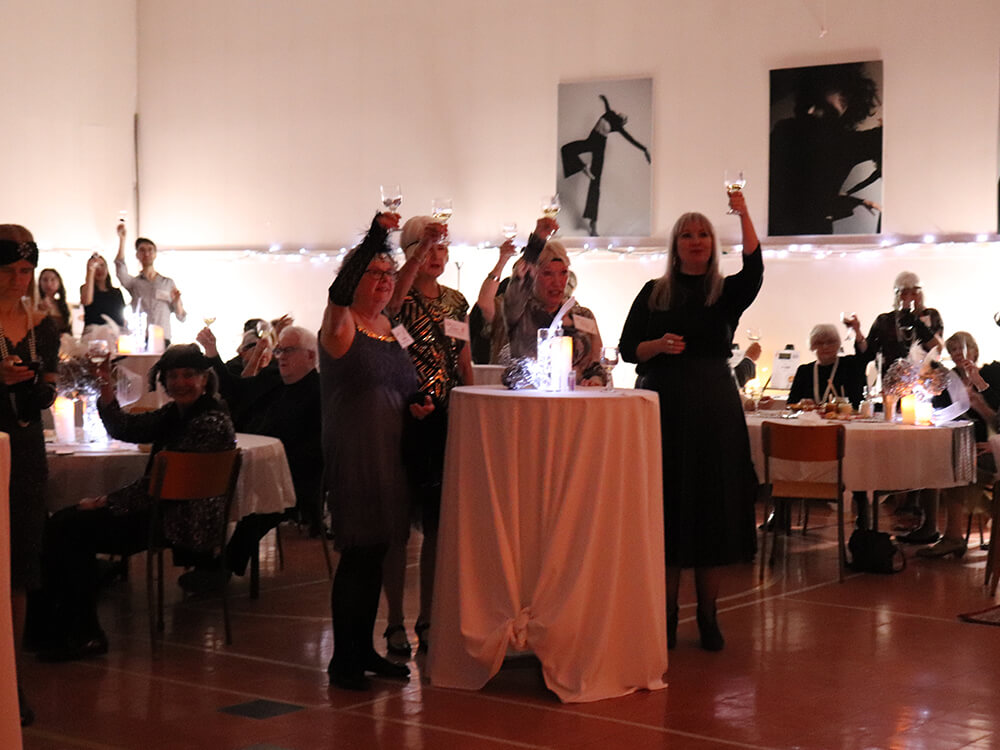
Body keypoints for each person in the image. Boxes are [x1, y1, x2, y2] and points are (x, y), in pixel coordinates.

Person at [618, 189, 762, 651]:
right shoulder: (653, 293)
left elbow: (756, 267)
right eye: (687, 234)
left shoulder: (724, 292)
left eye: (703, 234)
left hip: (714, 407)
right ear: (675, 244)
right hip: (663, 406)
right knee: (667, 508)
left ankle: (708, 614)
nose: (695, 241)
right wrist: (657, 346)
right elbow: (627, 350)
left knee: (711, 509)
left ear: (711, 243)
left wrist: (742, 213)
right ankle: (664, 616)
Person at [38, 345, 235, 661]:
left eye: (189, 375)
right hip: (165, 512)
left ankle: (82, 632)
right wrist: (106, 388)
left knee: (69, 529)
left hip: (180, 521)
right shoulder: (180, 413)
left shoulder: (209, 421)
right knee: (64, 524)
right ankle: (62, 627)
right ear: (163, 380)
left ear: (204, 379)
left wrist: (106, 502)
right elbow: (126, 429)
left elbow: (160, 486)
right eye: (173, 376)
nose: (180, 383)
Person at [319, 212, 434, 691]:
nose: (386, 282)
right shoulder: (341, 325)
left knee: (377, 555)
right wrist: (375, 234)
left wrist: (420, 251)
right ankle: (344, 659)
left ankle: (362, 649)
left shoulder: (385, 322)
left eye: (389, 275)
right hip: (358, 452)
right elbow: (340, 290)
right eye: (376, 274)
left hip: (392, 452)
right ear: (355, 277)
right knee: (358, 556)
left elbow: (400, 286)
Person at [378, 215, 472, 658]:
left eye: (440, 246)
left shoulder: (456, 301)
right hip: (406, 415)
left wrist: (470, 406)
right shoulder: (397, 292)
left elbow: (464, 361)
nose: (435, 254)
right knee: (397, 526)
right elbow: (393, 311)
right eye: (426, 246)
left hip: (448, 418)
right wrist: (412, 258)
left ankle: (429, 618)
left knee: (438, 526)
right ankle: (394, 621)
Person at [198, 324, 324, 563]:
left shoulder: (319, 394)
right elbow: (234, 389)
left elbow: (316, 450)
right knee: (205, 487)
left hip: (291, 476)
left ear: (310, 355)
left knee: (259, 510)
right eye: (279, 351)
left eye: (289, 351)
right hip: (251, 463)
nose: (281, 357)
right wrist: (212, 352)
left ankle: (225, 565)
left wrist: (272, 465)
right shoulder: (273, 378)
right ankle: (201, 556)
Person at [0, 226, 60, 726]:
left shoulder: (43, 325)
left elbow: (49, 392)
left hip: (24, 450)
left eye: (24, 270)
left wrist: (38, 387)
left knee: (20, 566)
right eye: (8, 270)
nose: (17, 279)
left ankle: (11, 679)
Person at [849, 271, 944, 542]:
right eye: (903, 292)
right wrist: (857, 331)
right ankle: (899, 507)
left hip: (923, 391)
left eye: (913, 291)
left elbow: (936, 348)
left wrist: (917, 318)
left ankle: (918, 514)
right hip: (892, 391)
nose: (908, 297)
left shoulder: (931, 316)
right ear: (895, 294)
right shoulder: (884, 320)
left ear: (920, 293)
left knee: (921, 448)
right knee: (895, 446)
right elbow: (866, 353)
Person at [768, 62, 883, 236]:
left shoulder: (844, 141)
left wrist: (854, 201)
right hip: (798, 231)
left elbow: (809, 195)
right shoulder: (790, 131)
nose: (845, 97)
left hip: (798, 231)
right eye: (840, 90)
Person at [494, 217, 606, 385]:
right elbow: (520, 280)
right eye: (547, 274)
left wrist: (596, 379)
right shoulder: (522, 311)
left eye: (563, 273)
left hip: (576, 401)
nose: (557, 282)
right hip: (531, 400)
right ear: (534, 277)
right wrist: (537, 240)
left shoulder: (583, 315)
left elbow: (596, 365)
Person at [918, 332, 1000, 559]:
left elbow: (995, 421)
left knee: (954, 463)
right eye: (953, 350)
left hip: (986, 445)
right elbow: (938, 414)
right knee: (934, 457)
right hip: (961, 442)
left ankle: (954, 536)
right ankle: (931, 526)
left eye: (962, 349)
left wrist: (979, 401)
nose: (957, 354)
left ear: (974, 350)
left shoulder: (991, 374)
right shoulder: (949, 379)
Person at [786, 323, 870, 527]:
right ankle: (781, 513)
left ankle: (863, 509)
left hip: (845, 430)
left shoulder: (850, 365)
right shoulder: (805, 371)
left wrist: (857, 332)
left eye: (830, 342)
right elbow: (791, 403)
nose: (825, 347)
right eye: (819, 343)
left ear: (838, 344)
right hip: (812, 433)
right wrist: (802, 404)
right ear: (813, 346)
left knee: (855, 459)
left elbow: (865, 355)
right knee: (787, 457)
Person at [561, 94, 652, 236]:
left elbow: (630, 139)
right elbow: (608, 107)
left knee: (595, 185)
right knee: (566, 149)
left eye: (624, 120)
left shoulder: (617, 125)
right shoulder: (610, 114)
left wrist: (644, 149)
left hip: (599, 147)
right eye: (624, 118)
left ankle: (593, 224)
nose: (624, 118)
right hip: (592, 140)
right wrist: (604, 99)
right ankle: (583, 167)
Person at [114, 222, 186, 344]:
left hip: (163, 338)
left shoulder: (168, 283)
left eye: (150, 250)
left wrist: (177, 302)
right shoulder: (134, 283)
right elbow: (120, 269)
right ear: (137, 255)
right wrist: (122, 239)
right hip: (141, 338)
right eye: (142, 250)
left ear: (155, 254)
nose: (146, 253)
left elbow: (181, 317)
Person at [80, 253, 126, 329]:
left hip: (114, 334)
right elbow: (87, 301)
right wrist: (91, 270)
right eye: (96, 267)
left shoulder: (116, 292)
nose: (99, 269)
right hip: (92, 335)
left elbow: (121, 316)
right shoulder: (85, 289)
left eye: (102, 265)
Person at [37, 267, 73, 335]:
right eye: (45, 280)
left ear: (59, 282)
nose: (49, 284)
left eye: (53, 280)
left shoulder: (64, 305)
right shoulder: (35, 304)